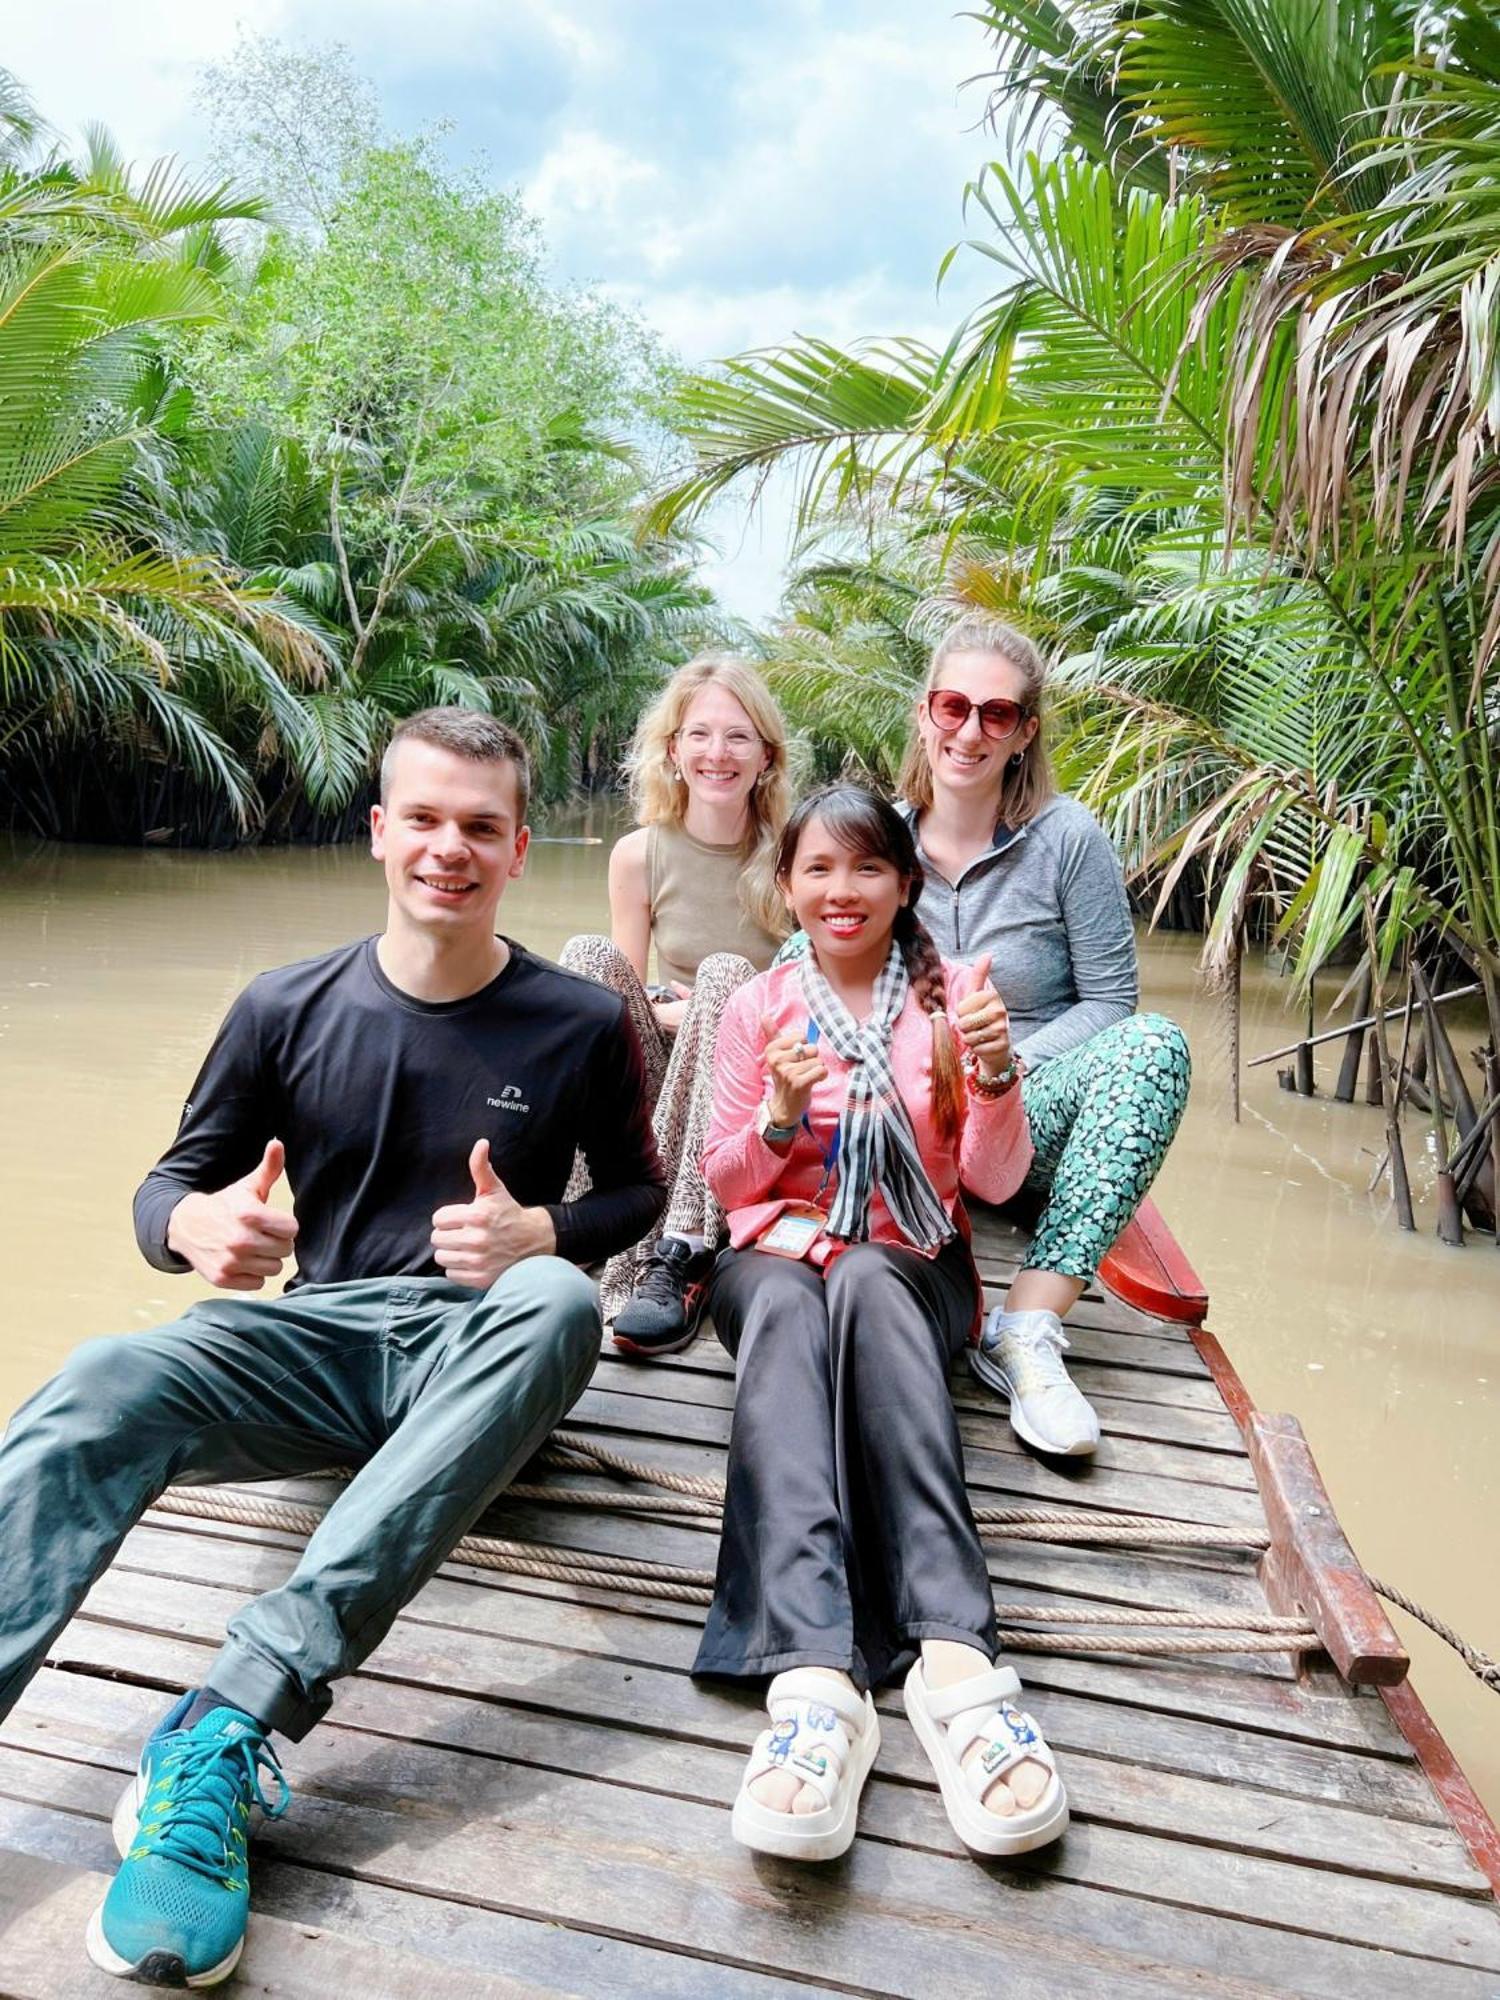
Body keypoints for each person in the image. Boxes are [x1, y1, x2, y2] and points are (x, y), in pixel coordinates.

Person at [0, 708, 665, 1988]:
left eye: (480, 825)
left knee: (562, 1303)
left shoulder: (579, 1021)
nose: (448, 849)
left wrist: (546, 1229)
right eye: (423, 818)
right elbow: (169, 1184)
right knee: (98, 1378)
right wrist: (200, 1226)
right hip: (313, 1338)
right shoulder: (282, 1004)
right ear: (378, 832)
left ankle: (229, 1715)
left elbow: (639, 1192)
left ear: (521, 847)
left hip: (480, 1349)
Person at [694, 784, 1068, 1864]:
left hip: (913, 1263)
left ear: (906, 883)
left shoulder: (955, 998)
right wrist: (775, 1115)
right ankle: (813, 1678)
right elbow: (727, 1185)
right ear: (787, 887)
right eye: (817, 867)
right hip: (774, 1253)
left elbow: (992, 1182)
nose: (840, 889)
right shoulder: (760, 1006)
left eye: (867, 867)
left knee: (861, 1279)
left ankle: (956, 1657)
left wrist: (997, 1073)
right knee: (779, 1295)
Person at [897, 610, 1192, 1455]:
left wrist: (1003, 1067)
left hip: (1028, 1114)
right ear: (926, 712)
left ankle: (1026, 1325)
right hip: (906, 1124)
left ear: (1024, 731)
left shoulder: (1068, 840)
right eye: (954, 706)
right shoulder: (875, 840)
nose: (970, 731)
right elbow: (821, 973)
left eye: (997, 714)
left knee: (1156, 1044)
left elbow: (1110, 1004)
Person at [561, 653, 791, 1353]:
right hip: (664, 1072)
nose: (716, 754)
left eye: (737, 737)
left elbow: (805, 1001)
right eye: (699, 734)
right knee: (584, 959)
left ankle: (684, 1245)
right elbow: (621, 1003)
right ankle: (578, 1218)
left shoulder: (794, 856)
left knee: (728, 978)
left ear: (766, 757)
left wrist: (719, 1010)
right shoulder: (638, 853)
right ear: (673, 749)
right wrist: (682, 1014)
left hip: (748, 1098)